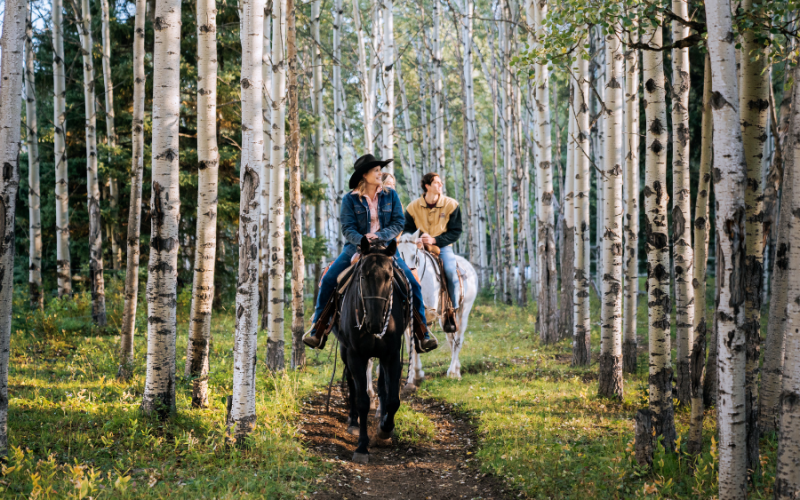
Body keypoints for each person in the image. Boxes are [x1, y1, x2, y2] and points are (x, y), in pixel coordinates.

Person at [303, 154, 438, 352]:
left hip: (387, 249)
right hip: (356, 248)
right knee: (329, 278)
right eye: (376, 171)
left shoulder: (390, 195)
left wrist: (380, 236)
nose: (380, 173)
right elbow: (347, 228)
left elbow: (398, 222)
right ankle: (318, 328)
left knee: (411, 283)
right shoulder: (349, 199)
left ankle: (422, 332)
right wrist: (363, 240)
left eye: (380, 170)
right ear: (364, 175)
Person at [403, 172, 462, 330]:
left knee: (450, 271)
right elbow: (407, 230)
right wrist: (418, 238)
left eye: (441, 182)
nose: (440, 185)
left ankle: (451, 311)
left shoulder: (451, 205)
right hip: (418, 247)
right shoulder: (412, 207)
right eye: (437, 183)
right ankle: (403, 309)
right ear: (427, 186)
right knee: (402, 269)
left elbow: (455, 231)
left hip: (442, 247)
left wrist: (436, 240)